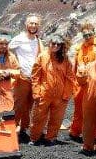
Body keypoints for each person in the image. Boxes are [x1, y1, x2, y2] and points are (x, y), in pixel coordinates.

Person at [29, 34, 78, 146]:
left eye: (58, 44)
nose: (55, 46)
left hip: (60, 95)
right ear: (49, 44)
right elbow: (35, 76)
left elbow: (71, 77)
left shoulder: (65, 59)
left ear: (61, 46)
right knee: (38, 117)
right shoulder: (42, 57)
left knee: (57, 119)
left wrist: (67, 94)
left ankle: (51, 138)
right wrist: (36, 92)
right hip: (44, 93)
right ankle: (34, 138)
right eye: (53, 44)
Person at [8, 14, 42, 142]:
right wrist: (14, 65)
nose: (33, 26)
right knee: (18, 105)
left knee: (29, 105)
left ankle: (23, 129)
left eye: (35, 24)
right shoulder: (19, 39)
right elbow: (6, 49)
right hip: (22, 77)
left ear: (38, 26)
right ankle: (11, 128)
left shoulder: (38, 41)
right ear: (26, 24)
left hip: (34, 79)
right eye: (31, 23)